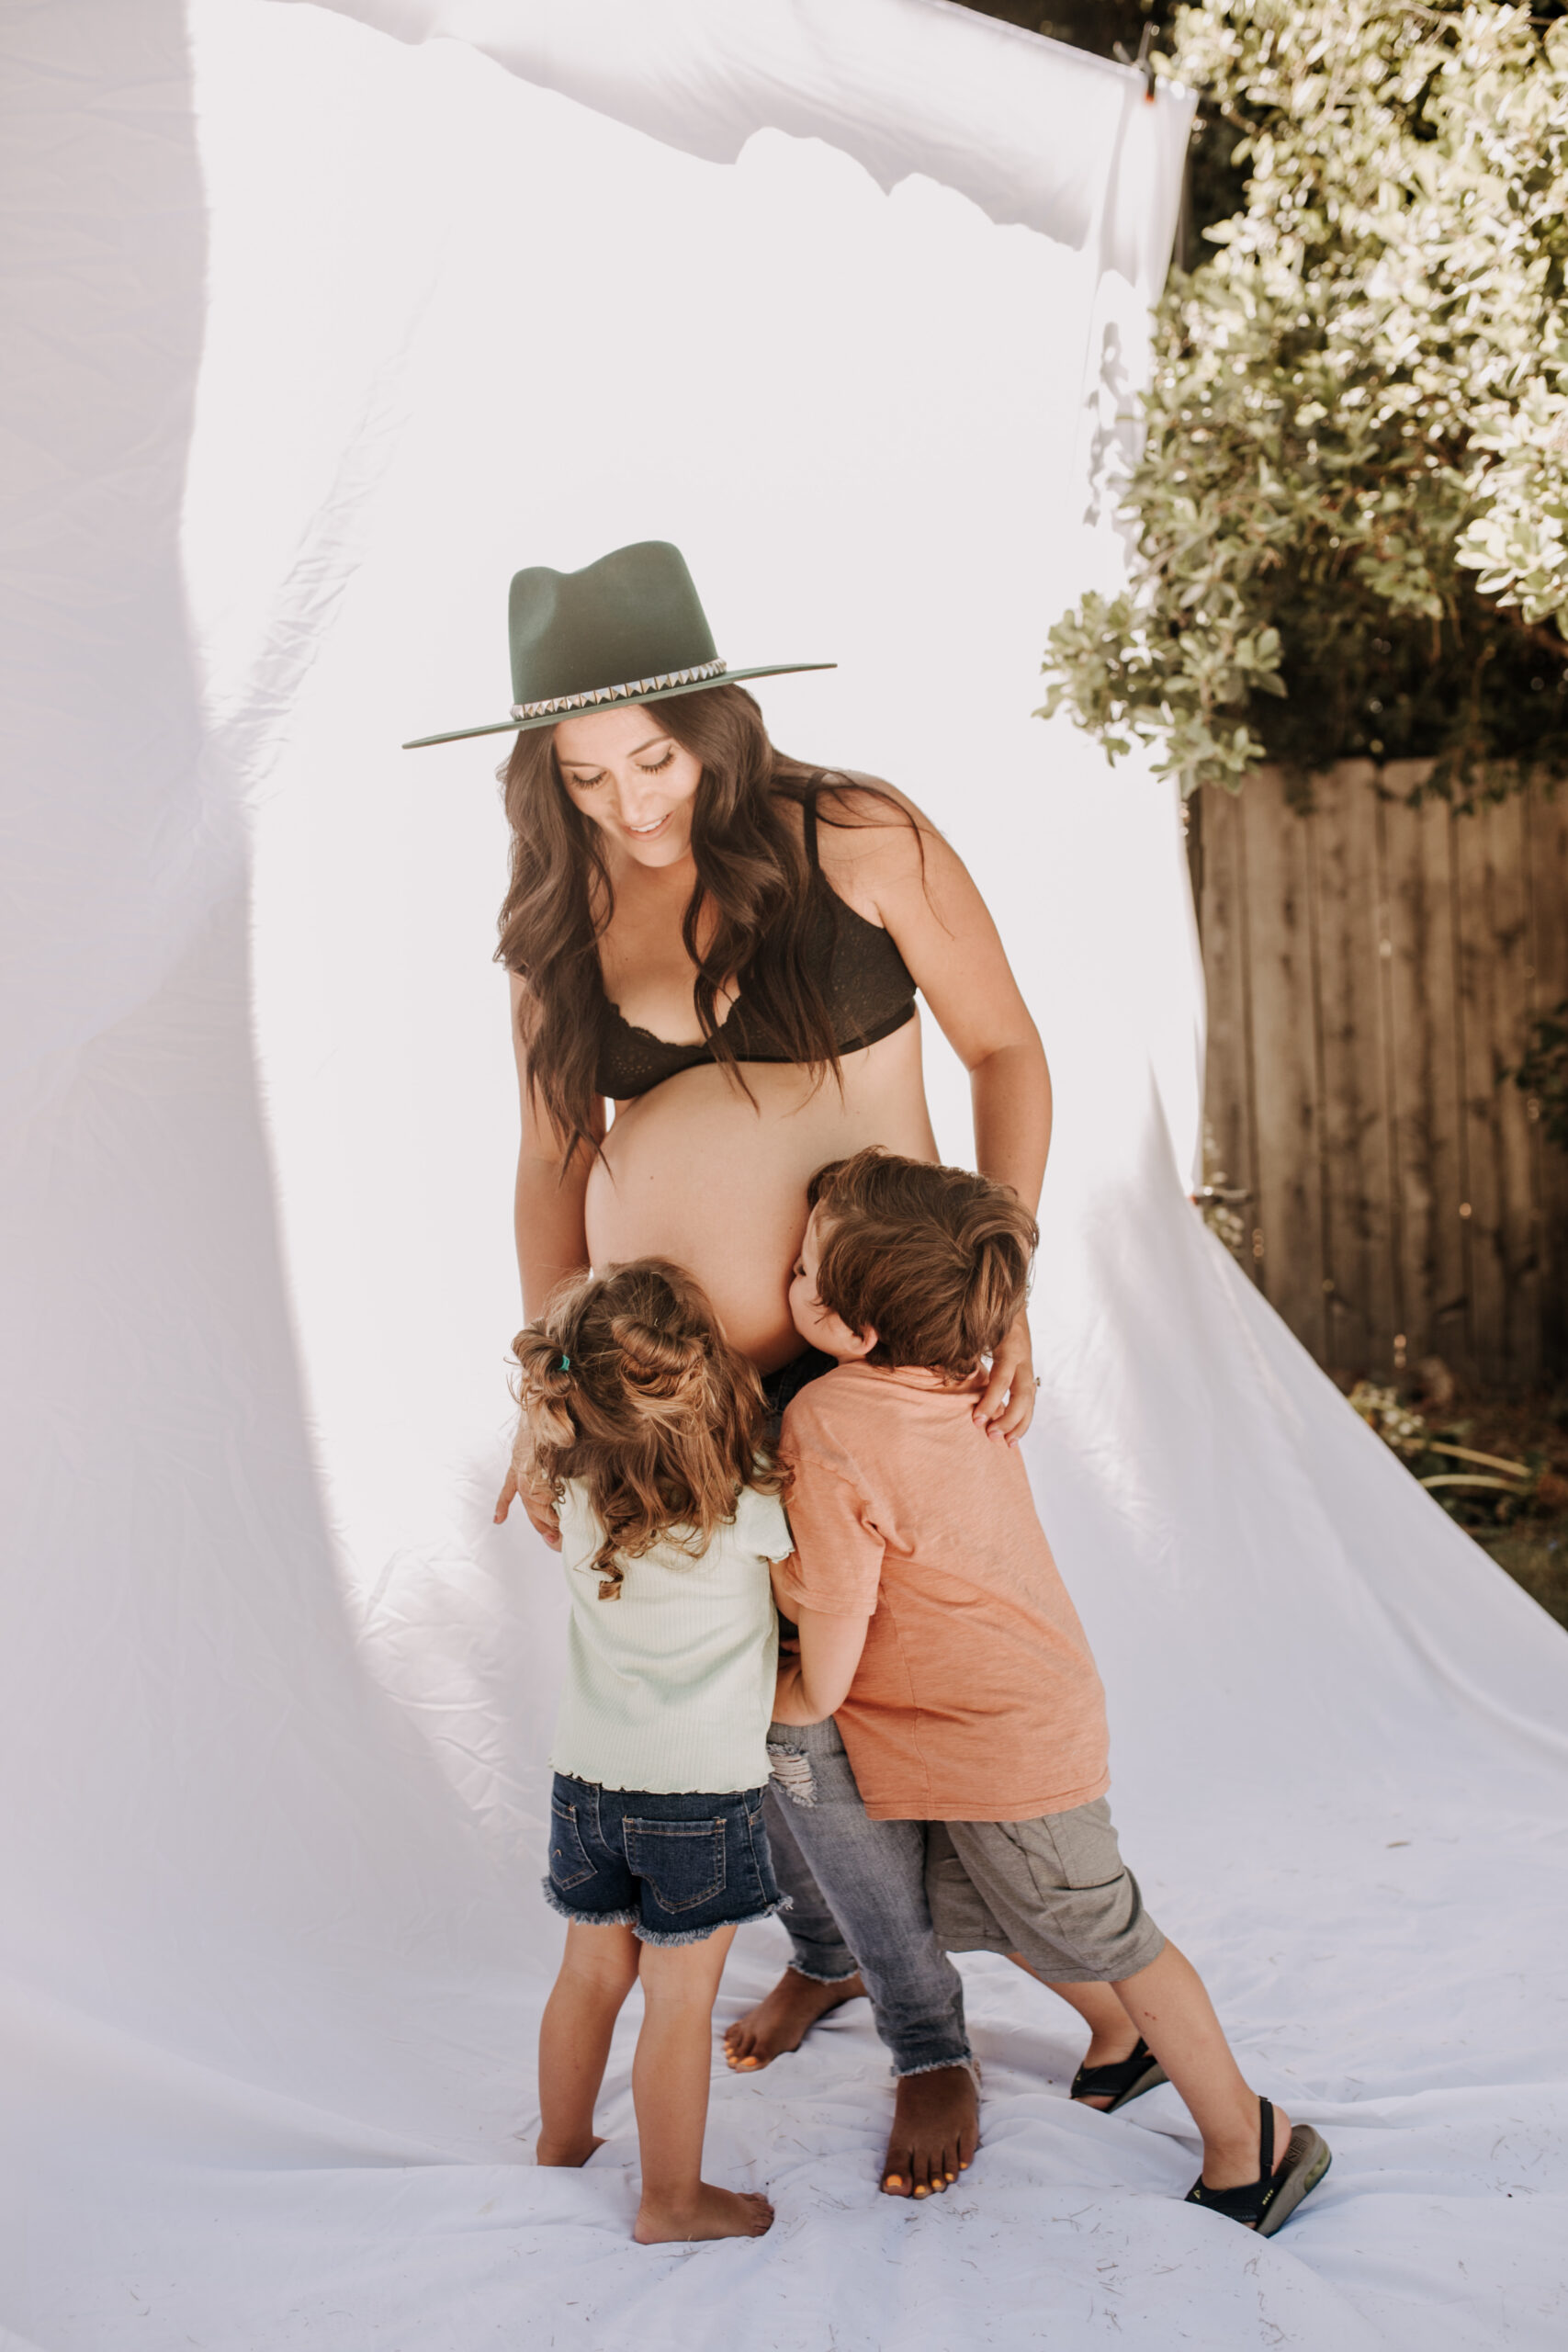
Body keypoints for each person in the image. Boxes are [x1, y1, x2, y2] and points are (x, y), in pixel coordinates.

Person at [412, 537, 1055, 2187]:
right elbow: (551, 1161)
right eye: (582, 773)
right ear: (540, 777)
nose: (629, 802)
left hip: (876, 1360)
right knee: (736, 1718)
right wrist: (550, 1391)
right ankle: (861, 1972)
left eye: (654, 756)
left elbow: (1002, 1047)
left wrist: (1004, 1284)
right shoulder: (557, 921)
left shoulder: (859, 833)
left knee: (889, 1693)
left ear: (717, 718)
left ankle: (942, 2020)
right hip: (671, 1398)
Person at [768, 1148, 1334, 2233]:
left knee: (1112, 1934)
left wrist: (798, 1698)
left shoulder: (831, 1423)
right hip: (1013, 1713)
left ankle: (1248, 2138)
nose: (788, 1282)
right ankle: (1121, 2045)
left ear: (852, 1329)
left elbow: (835, 1621)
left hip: (1004, 1745)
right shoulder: (952, 1380)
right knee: (987, 1908)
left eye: (803, 1271)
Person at [513, 1258, 792, 2244]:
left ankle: (560, 2143)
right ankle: (671, 2199)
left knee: (587, 1976)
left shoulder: (572, 1489)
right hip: (699, 1794)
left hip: (586, 1780)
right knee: (681, 2003)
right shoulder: (747, 1500)